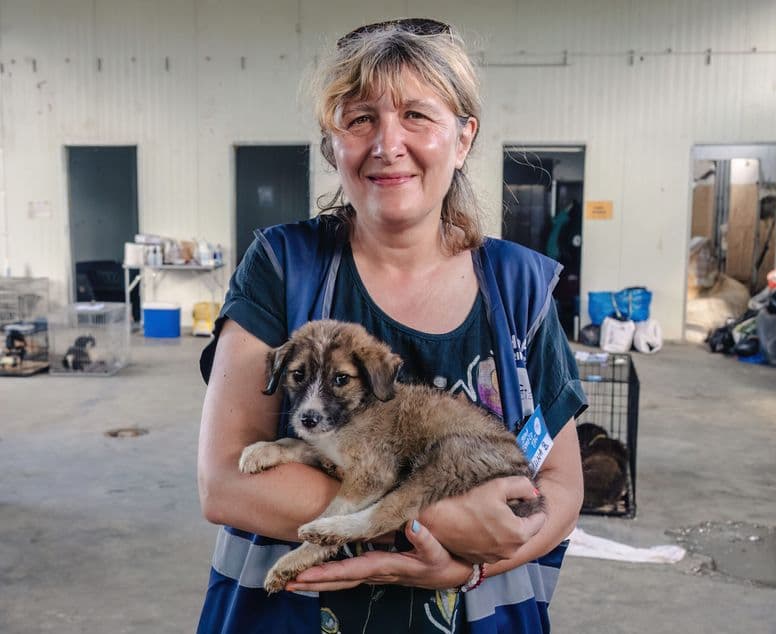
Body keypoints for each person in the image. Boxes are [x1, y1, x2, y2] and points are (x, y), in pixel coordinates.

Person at [196, 18, 587, 634]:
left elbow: (562, 484)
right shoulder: (283, 265)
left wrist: (469, 570)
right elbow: (224, 482)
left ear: (462, 139)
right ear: (333, 145)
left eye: (417, 116)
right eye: (359, 119)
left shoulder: (519, 288)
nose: (387, 143)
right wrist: (435, 520)